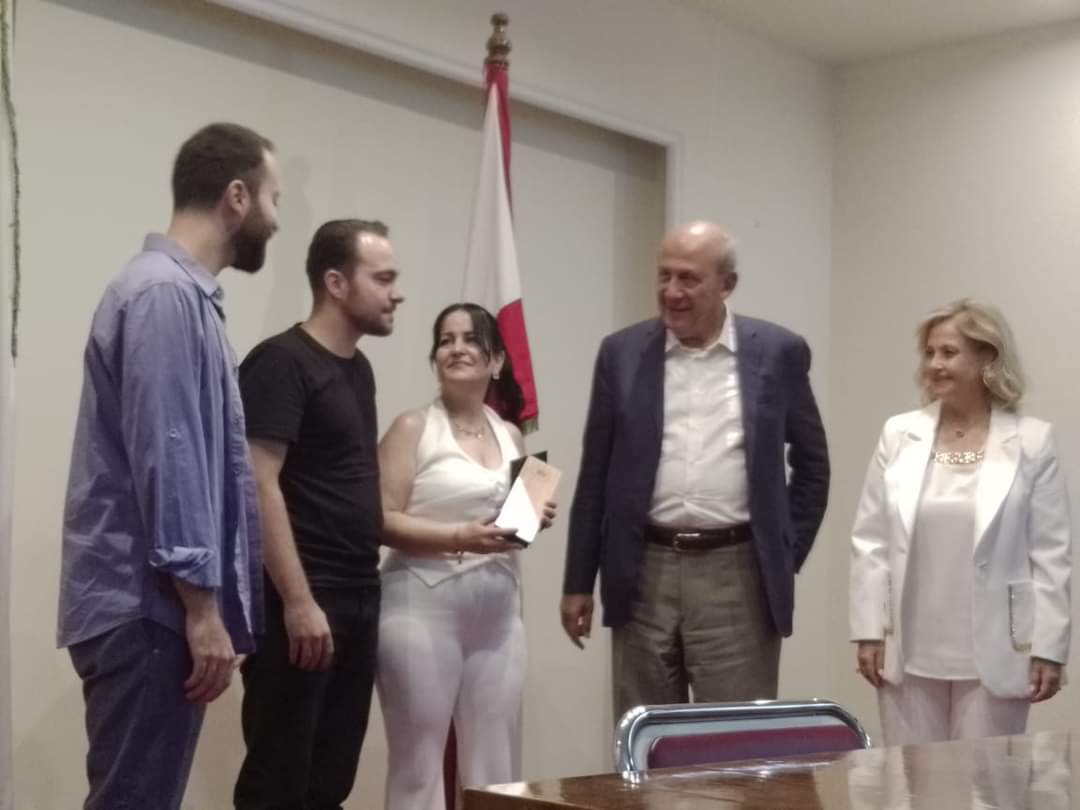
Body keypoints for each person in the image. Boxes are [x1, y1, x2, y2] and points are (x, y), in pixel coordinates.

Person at [57, 122, 281, 810]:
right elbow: (171, 456)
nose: (276, 220)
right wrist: (203, 608)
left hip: (151, 608)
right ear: (236, 197)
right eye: (273, 198)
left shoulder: (179, 296)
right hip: (148, 610)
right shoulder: (165, 296)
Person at [561, 220, 829, 720]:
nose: (671, 291)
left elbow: (813, 466)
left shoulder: (778, 353)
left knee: (735, 742)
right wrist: (578, 579)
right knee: (645, 738)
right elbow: (595, 474)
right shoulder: (620, 353)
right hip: (643, 570)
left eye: (688, 278)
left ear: (727, 284)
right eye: (664, 276)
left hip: (737, 575)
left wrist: (780, 554)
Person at [233, 219, 403, 809]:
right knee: (278, 782)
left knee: (329, 782)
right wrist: (299, 602)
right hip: (303, 598)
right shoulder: (281, 363)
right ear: (336, 282)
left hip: (359, 591)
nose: (397, 293)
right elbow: (257, 482)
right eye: (383, 279)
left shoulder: (358, 369)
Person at [849, 299, 1071, 745]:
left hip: (999, 648)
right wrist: (868, 630)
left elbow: (1051, 552)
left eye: (949, 353)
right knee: (911, 778)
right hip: (907, 649)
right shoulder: (899, 434)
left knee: (987, 780)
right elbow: (870, 542)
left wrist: (1050, 646)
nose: (935, 364)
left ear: (987, 358)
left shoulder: (1032, 440)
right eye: (929, 353)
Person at [376, 303, 555, 810]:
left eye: (471, 339)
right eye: (445, 340)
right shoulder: (412, 427)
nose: (456, 348)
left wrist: (534, 517)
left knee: (497, 771)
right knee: (418, 766)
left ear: (496, 361)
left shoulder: (511, 434)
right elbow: (380, 520)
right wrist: (459, 535)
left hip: (499, 616)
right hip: (418, 610)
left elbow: (513, 527)